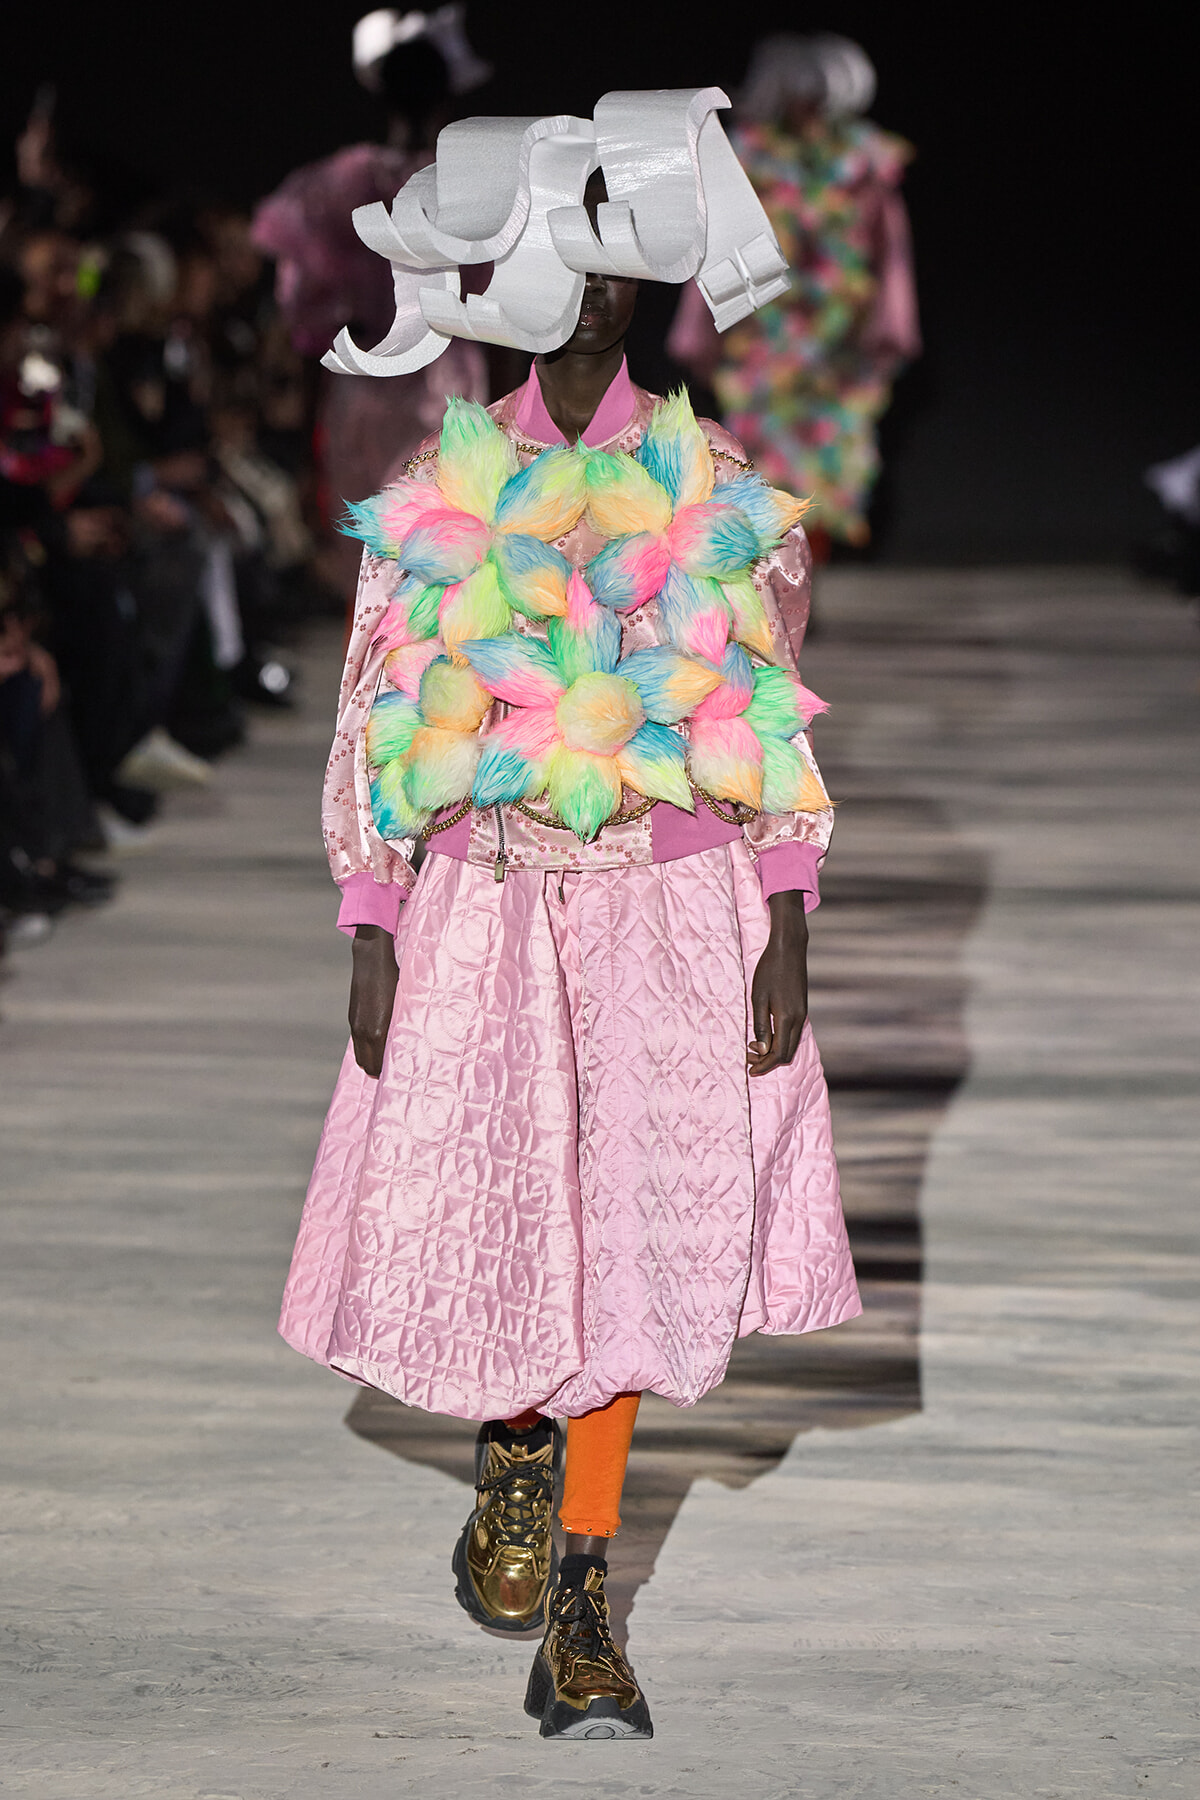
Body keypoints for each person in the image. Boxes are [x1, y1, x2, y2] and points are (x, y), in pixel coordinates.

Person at [278, 101, 859, 1741]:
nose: (592, 303)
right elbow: (378, 718)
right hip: (487, 906)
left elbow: (767, 712)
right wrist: (372, 916)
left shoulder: (720, 488)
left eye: (615, 276)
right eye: (560, 274)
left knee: (632, 1249)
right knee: (517, 1221)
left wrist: (789, 915)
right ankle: (519, 1451)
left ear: (650, 291)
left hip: (672, 910)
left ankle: (588, 1605)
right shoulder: (440, 487)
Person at [251, 7, 489, 602]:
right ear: (446, 98)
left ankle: (367, 690)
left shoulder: (338, 185)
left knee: (369, 580)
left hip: (361, 391)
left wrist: (312, 426)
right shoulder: (472, 186)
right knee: (442, 578)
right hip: (447, 390)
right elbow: (503, 318)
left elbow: (307, 324)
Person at [669, 33, 921, 559]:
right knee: (759, 467)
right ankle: (778, 580)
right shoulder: (749, 160)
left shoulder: (864, 166)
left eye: (821, 101)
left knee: (832, 464)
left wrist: (883, 326)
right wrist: (707, 324)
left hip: (838, 342)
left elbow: (888, 253)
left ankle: (811, 579)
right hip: (763, 338)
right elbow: (719, 242)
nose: (810, 112)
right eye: (800, 99)